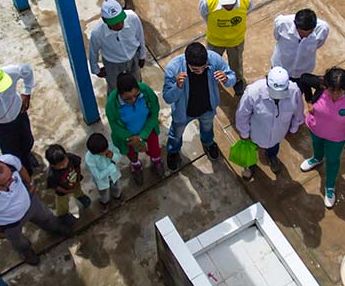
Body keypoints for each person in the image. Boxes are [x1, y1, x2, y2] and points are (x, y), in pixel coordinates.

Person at [0, 154, 74, 266]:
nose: (12, 180)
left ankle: (56, 228)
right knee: (19, 243)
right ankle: (27, 253)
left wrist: (29, 183)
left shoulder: (8, 161)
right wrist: (0, 235)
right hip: (10, 224)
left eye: (11, 175)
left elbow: (20, 167)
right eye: (7, 181)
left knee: (47, 218)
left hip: (30, 204)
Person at [162, 41, 233, 169]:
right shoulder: (173, 68)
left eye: (204, 67)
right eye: (195, 70)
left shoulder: (214, 59)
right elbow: (167, 97)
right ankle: (173, 151)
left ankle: (208, 142)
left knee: (207, 128)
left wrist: (226, 78)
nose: (200, 71)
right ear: (187, 62)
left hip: (207, 109)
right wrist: (177, 86)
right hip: (184, 112)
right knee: (176, 134)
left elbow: (231, 76)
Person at [300, 67, 345, 208]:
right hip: (315, 128)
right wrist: (309, 100)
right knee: (316, 146)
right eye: (331, 91)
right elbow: (304, 78)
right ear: (325, 85)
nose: (335, 95)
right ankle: (317, 159)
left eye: (339, 91)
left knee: (332, 160)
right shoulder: (321, 85)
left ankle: (330, 187)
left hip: (336, 138)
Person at [235, 67, 304, 177]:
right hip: (254, 134)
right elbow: (242, 114)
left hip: (278, 135)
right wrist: (244, 133)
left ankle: (272, 157)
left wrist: (294, 128)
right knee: (250, 150)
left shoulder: (294, 91)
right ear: (266, 80)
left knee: (273, 147)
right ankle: (249, 164)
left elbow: (298, 112)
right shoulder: (253, 92)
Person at [106, 73, 164, 183]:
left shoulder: (146, 91)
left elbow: (154, 112)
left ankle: (156, 161)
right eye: (127, 98)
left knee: (155, 149)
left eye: (136, 95)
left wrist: (142, 137)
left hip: (148, 129)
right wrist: (135, 141)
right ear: (120, 94)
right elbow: (115, 126)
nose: (133, 100)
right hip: (127, 137)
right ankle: (136, 166)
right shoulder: (111, 104)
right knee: (132, 154)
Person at [200, 0, 252, 92]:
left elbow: (246, 13)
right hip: (215, 40)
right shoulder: (207, 2)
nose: (227, 6)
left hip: (236, 40)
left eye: (230, 3)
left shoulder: (247, 0)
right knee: (211, 63)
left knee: (236, 63)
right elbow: (205, 16)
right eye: (225, 3)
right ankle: (211, 80)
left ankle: (237, 80)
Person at [88, 0, 147, 91]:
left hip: (133, 57)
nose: (119, 25)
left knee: (137, 83)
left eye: (121, 20)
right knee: (115, 88)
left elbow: (140, 36)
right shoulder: (97, 33)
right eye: (115, 23)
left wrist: (142, 55)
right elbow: (93, 52)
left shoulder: (132, 18)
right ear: (105, 20)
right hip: (113, 64)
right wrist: (96, 69)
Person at [270, 8, 329, 89]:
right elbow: (276, 36)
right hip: (281, 67)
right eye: (301, 32)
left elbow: (319, 44)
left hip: (303, 71)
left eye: (309, 33)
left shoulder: (323, 29)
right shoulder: (282, 23)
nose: (305, 36)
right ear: (295, 24)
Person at [43, 143, 90, 218]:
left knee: (78, 191)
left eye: (65, 162)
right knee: (62, 203)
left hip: (75, 182)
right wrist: (66, 191)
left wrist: (78, 178)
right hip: (62, 192)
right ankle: (63, 214)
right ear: (52, 165)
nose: (64, 165)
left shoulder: (70, 157)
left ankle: (80, 197)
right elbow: (56, 187)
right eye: (60, 165)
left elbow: (77, 165)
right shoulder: (51, 175)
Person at [84, 132, 124, 212]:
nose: (107, 151)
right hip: (102, 181)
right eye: (103, 152)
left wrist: (113, 155)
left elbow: (119, 157)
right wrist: (112, 166)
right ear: (95, 153)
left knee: (116, 187)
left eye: (107, 148)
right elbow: (98, 175)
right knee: (103, 193)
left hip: (114, 176)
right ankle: (105, 203)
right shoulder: (89, 159)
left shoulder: (110, 146)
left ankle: (117, 196)